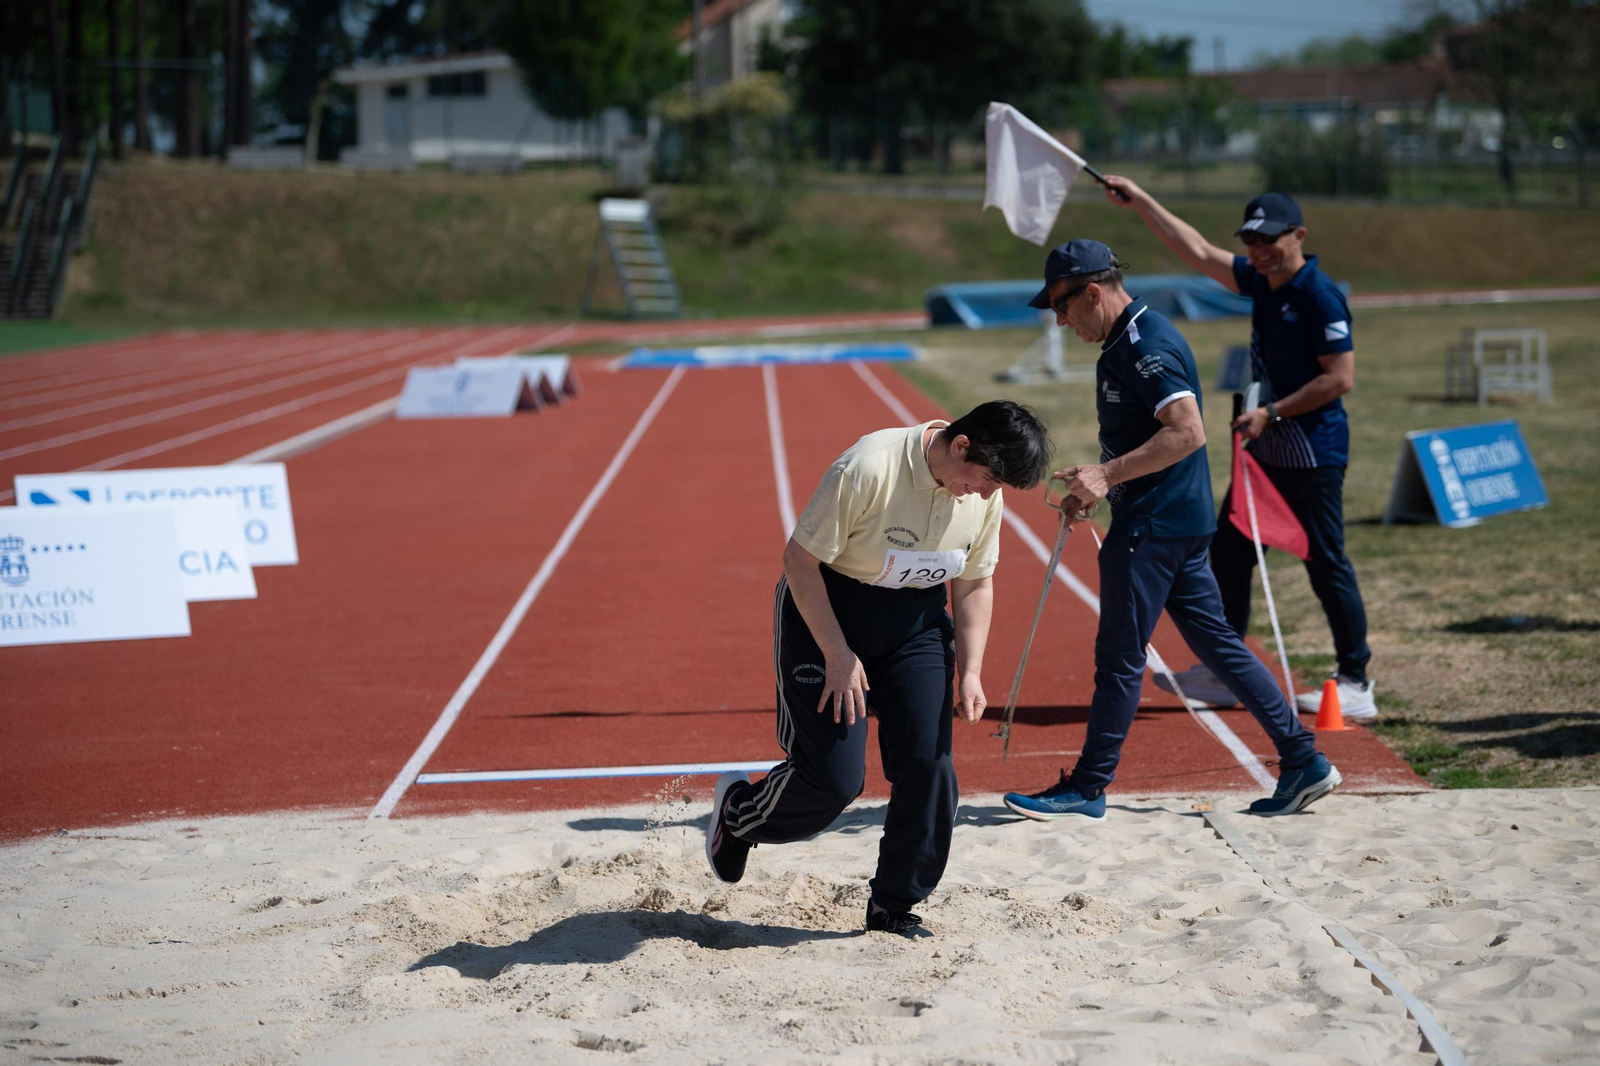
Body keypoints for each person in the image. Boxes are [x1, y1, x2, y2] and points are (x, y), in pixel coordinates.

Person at [1001, 239, 1340, 823]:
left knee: (1120, 657)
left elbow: (1186, 432)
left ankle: (1088, 786)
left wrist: (1107, 475)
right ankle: (1303, 759)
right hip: (1171, 521)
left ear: (1092, 292)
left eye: (1061, 305)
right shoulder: (1129, 340)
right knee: (1219, 646)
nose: (1058, 320)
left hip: (1154, 529)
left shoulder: (1145, 344)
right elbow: (1148, 438)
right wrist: (1101, 486)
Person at [705, 401, 1051, 936]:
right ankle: (738, 815)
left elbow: (974, 581)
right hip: (829, 612)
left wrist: (971, 671)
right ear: (961, 446)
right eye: (985, 481)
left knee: (930, 768)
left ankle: (893, 903)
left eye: (995, 488)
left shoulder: (982, 492)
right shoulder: (868, 466)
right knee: (833, 782)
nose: (986, 495)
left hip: (915, 624)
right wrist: (838, 654)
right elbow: (799, 562)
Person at [1098, 179, 1375, 721]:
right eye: (1250, 240)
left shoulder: (1319, 295)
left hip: (1312, 453)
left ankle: (1356, 679)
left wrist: (1272, 412)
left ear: (1298, 236)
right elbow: (1198, 251)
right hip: (1265, 453)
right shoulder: (1262, 280)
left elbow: (1340, 378)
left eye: (1269, 239)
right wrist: (1143, 202)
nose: (1258, 249)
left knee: (1325, 561)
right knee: (1229, 554)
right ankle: (1222, 672)